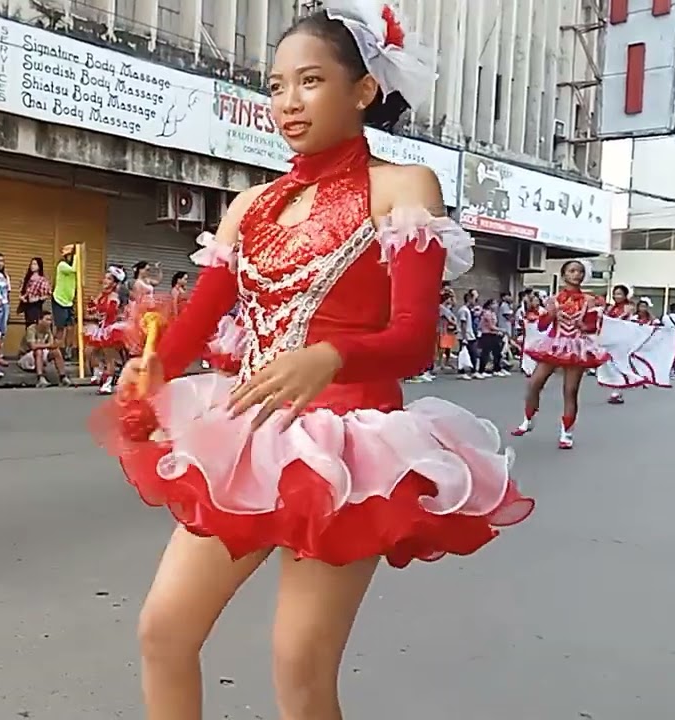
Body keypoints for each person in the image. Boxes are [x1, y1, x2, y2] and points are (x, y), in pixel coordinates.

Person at [91, 5, 533, 716]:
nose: (288, 102)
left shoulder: (402, 187)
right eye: (276, 85)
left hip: (349, 450)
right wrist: (154, 365)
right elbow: (198, 322)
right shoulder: (252, 206)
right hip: (245, 437)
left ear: (362, 91)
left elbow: (415, 338)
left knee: (299, 668)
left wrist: (330, 357)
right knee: (163, 630)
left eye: (310, 81)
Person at [511, 260, 609, 449]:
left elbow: (593, 326)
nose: (576, 274)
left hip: (577, 347)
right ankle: (528, 418)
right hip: (554, 344)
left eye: (580, 271)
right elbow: (541, 325)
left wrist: (585, 326)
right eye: (572, 271)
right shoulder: (553, 300)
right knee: (534, 383)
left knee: (570, 391)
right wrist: (551, 314)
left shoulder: (590, 300)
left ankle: (567, 433)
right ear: (564, 275)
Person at [82, 266, 128, 394]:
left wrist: (106, 308)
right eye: (105, 278)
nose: (105, 280)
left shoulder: (113, 296)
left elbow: (111, 312)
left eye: (109, 279)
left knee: (109, 357)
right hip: (100, 328)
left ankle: (107, 383)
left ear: (114, 283)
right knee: (93, 352)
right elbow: (93, 310)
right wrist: (91, 305)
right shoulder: (102, 295)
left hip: (110, 329)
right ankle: (99, 373)